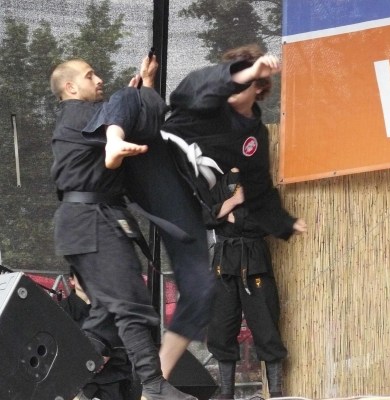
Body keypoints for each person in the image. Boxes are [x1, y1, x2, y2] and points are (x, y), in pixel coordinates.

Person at [50, 53, 214, 400]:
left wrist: (145, 89)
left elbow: (140, 122)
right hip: (92, 221)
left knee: (106, 316)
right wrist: (134, 100)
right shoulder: (81, 115)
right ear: (70, 87)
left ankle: (63, 388)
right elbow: (136, 113)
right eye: (89, 75)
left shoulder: (87, 119)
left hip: (85, 222)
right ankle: (154, 387)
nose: (99, 80)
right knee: (130, 305)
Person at [161, 44, 307, 399]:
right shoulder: (207, 139)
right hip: (222, 259)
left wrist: (282, 222)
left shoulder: (254, 142)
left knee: (266, 329)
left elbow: (261, 199)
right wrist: (230, 204)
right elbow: (204, 214)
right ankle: (224, 395)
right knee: (221, 331)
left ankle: (278, 395)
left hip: (253, 258)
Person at [59, 269, 141, 400]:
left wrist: (109, 355)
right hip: (74, 385)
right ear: (72, 281)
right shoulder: (59, 311)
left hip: (111, 383)